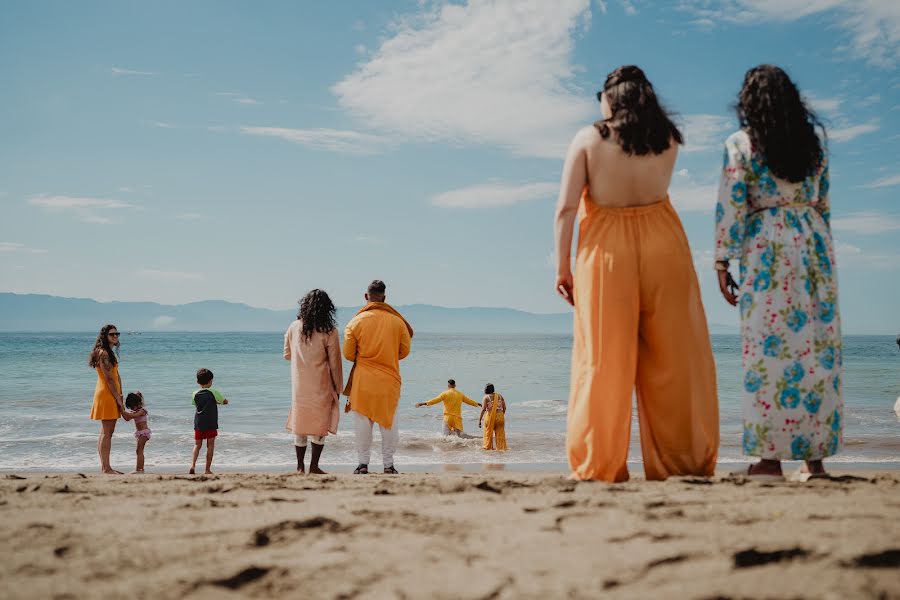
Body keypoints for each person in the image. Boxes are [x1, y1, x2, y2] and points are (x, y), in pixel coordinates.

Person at [554, 65, 719, 483]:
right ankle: (681, 463)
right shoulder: (666, 138)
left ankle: (600, 465)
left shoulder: (590, 138)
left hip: (608, 248)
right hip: (664, 242)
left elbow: (567, 209)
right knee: (672, 359)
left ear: (611, 97)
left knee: (603, 359)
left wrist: (562, 266)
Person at [715, 65, 841, 480]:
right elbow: (823, 202)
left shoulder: (741, 144)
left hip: (767, 247)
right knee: (815, 352)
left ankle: (769, 461)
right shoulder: (814, 145)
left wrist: (722, 259)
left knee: (767, 353)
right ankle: (814, 462)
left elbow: (733, 203)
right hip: (814, 243)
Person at [343, 280, 413, 474]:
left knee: (362, 425)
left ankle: (363, 464)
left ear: (366, 297)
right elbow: (404, 352)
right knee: (389, 423)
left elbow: (348, 355)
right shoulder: (398, 322)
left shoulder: (355, 322)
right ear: (385, 297)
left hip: (363, 381)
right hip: (389, 380)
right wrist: (388, 354)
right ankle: (388, 465)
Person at [284, 289, 343, 474]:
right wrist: (339, 387)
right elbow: (335, 364)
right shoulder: (329, 331)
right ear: (327, 309)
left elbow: (287, 354)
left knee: (300, 423)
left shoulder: (294, 326)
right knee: (320, 424)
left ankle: (300, 467)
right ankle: (314, 466)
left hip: (299, 384)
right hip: (321, 383)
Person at [88, 324, 137, 474]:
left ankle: (106, 467)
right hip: (107, 394)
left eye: (117, 334)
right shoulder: (103, 353)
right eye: (112, 334)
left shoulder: (109, 353)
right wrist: (118, 399)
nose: (115, 336)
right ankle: (106, 468)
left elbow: (117, 376)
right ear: (105, 336)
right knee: (107, 432)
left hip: (110, 393)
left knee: (106, 431)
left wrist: (120, 395)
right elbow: (109, 379)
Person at [189, 368, 229, 475]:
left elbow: (196, 404)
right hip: (211, 422)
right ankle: (207, 469)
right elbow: (225, 401)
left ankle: (192, 465)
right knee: (210, 445)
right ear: (211, 381)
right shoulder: (214, 392)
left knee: (197, 444)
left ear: (197, 382)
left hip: (198, 422)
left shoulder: (194, 393)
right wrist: (219, 402)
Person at [415, 379, 481, 437]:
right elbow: (469, 401)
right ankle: (460, 449)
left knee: (445, 437)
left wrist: (423, 403)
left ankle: (446, 449)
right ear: (455, 385)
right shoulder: (460, 394)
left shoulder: (445, 393)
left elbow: (435, 400)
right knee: (459, 437)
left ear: (448, 386)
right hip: (457, 418)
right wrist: (478, 404)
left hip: (447, 418)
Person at [124, 392, 150, 473]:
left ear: (138, 403)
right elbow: (127, 418)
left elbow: (132, 416)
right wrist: (121, 410)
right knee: (138, 451)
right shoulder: (135, 411)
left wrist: (122, 410)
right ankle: (139, 469)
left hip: (144, 433)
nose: (132, 409)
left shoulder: (142, 411)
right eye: (131, 407)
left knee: (139, 450)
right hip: (139, 433)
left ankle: (140, 469)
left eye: (133, 406)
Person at [478, 383, 507, 451]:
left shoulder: (486, 397)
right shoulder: (500, 396)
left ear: (486, 390)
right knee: (500, 435)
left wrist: (479, 420)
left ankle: (488, 448)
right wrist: (501, 416)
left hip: (490, 417)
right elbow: (504, 408)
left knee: (488, 434)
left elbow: (483, 410)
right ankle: (501, 449)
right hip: (500, 417)